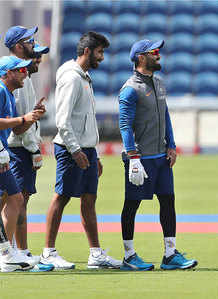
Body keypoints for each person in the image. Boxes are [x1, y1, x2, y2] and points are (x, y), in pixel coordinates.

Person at [39, 31, 121, 270]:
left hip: (85, 148)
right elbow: (63, 120)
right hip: (69, 148)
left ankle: (96, 254)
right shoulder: (72, 79)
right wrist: (75, 150)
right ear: (87, 51)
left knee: (89, 200)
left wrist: (92, 151)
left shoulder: (83, 77)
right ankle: (48, 253)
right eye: (99, 52)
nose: (102, 58)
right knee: (62, 196)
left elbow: (84, 119)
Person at [118, 39, 197, 271]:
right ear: (141, 57)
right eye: (154, 52)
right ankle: (129, 256)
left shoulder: (159, 84)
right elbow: (124, 124)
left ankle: (170, 254)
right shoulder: (130, 88)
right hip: (140, 158)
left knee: (168, 201)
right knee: (131, 205)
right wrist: (132, 156)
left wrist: (171, 145)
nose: (159, 55)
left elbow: (166, 115)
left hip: (161, 156)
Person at [4, 26, 51, 271]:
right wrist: (30, 122)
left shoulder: (23, 80)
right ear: (19, 46)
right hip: (15, 150)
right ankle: (14, 251)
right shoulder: (11, 82)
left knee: (14, 201)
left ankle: (14, 251)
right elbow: (17, 125)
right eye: (31, 42)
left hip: (18, 149)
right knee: (14, 201)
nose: (37, 54)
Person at [0, 55, 44, 272]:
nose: (25, 74)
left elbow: (16, 129)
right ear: (8, 73)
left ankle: (8, 252)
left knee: (13, 199)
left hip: (3, 153)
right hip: (1, 155)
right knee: (15, 198)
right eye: (20, 71)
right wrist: (23, 119)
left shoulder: (8, 93)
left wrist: (31, 117)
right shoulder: (0, 90)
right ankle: (6, 255)